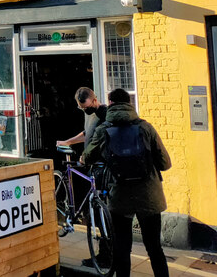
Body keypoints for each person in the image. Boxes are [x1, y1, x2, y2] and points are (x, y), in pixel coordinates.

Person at [82, 88, 172, 277]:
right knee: (155, 248)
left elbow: (88, 157)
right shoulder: (146, 128)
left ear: (111, 104)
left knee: (122, 249)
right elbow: (165, 164)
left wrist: (86, 159)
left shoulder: (103, 130)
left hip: (120, 197)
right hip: (149, 196)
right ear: (129, 104)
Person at [56, 87, 109, 268]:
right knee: (91, 208)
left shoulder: (104, 113)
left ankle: (105, 254)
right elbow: (86, 133)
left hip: (102, 167)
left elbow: (101, 138)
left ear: (94, 100)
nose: (84, 110)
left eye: (85, 107)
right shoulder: (89, 114)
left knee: (102, 212)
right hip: (89, 165)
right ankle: (102, 254)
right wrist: (68, 141)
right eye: (81, 108)